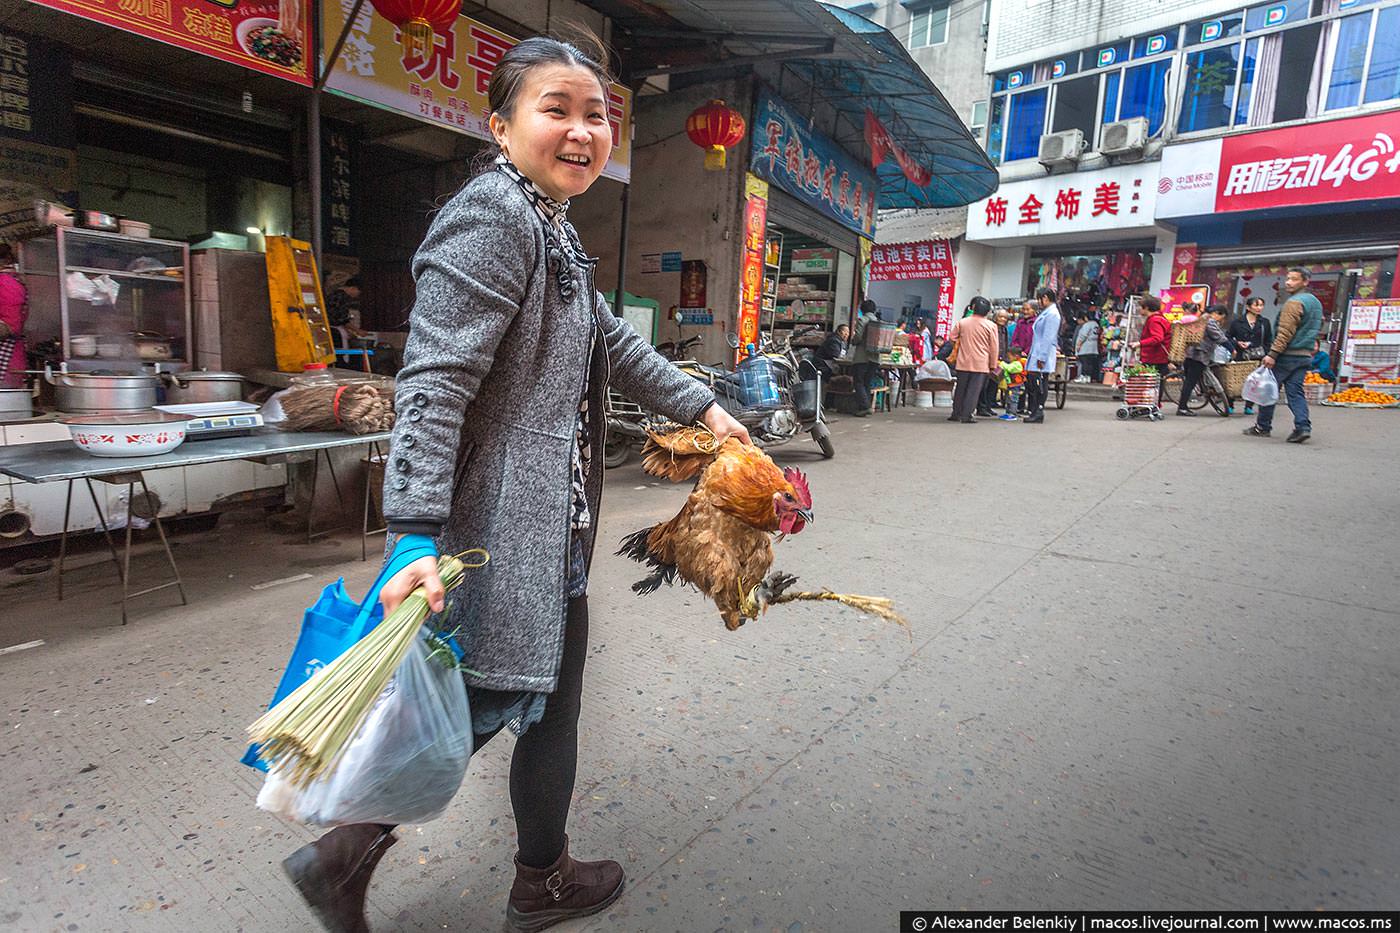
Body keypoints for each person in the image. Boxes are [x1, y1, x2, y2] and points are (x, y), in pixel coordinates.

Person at [279, 37, 752, 933]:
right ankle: (378, 857)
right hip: (495, 528)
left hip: (547, 527)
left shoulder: (550, 229)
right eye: (557, 109)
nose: (582, 131)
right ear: (500, 126)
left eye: (597, 115)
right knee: (505, 698)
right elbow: (433, 383)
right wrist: (414, 532)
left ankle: (513, 872)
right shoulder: (492, 220)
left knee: (529, 698)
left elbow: (613, 344)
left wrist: (706, 408)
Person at [1245, 268, 1323, 443]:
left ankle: (1262, 426)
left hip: (1287, 355)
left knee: (1268, 389)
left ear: (1305, 282)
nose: (1288, 282)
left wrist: (1272, 354)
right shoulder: (1315, 303)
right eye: (1288, 278)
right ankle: (1303, 427)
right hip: (1304, 355)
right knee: (1295, 392)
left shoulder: (1294, 303)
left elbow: (1285, 332)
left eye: (1294, 279)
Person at [947, 296, 1000, 423]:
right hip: (981, 363)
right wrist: (993, 364)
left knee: (961, 388)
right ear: (987, 311)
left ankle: (956, 413)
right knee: (974, 390)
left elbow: (952, 337)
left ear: (973, 308)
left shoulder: (963, 322)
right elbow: (994, 347)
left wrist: (961, 344)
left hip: (963, 361)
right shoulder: (991, 326)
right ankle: (967, 415)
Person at [1176, 304, 1229, 417]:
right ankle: (1182, 408)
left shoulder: (1200, 318)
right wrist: (1231, 347)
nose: (1221, 320)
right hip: (1199, 354)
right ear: (1216, 313)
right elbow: (1219, 337)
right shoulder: (1209, 321)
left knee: (1189, 381)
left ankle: (1184, 404)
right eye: (1222, 317)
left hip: (1190, 353)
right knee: (1190, 382)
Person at [1022, 288, 1061, 423]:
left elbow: (1048, 337)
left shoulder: (1052, 314)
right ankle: (1034, 410)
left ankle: (1038, 410)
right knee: (1034, 383)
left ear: (1045, 298)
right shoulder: (1047, 313)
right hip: (1037, 352)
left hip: (1041, 354)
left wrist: (1042, 357)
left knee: (1039, 384)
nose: (1038, 302)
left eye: (1039, 299)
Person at [1132, 294, 1171, 392]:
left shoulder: (1155, 320)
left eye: (1141, 307)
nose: (1139, 310)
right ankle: (1153, 405)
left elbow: (1158, 338)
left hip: (1155, 358)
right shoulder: (1160, 318)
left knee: (1152, 385)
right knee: (1155, 385)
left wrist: (1139, 343)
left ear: (1147, 308)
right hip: (1158, 357)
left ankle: (1152, 405)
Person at [0, 244, 27, 387]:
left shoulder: (5, 283)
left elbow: (9, 327)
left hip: (5, 361)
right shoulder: (13, 280)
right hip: (12, 360)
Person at [849, 300, 881, 417]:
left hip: (862, 357)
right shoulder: (878, 322)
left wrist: (853, 341)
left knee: (858, 382)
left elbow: (857, 337)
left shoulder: (862, 320)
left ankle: (866, 406)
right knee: (867, 382)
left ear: (862, 310)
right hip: (875, 358)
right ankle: (863, 407)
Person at [997, 346, 1026, 421]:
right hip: (1011, 385)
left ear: (1016, 356)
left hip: (1015, 386)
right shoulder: (1013, 363)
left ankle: (1013, 413)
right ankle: (1008, 412)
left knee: (1013, 399)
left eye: (1009, 356)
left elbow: (1009, 368)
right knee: (1008, 399)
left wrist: (1002, 364)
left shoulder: (1017, 364)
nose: (1008, 358)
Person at [1074, 311, 1101, 383]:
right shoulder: (1096, 325)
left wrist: (1078, 345)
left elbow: (1083, 336)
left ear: (1086, 318)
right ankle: (1088, 377)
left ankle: (1083, 377)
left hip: (1086, 347)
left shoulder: (1087, 325)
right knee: (1090, 364)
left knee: (1084, 363)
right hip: (1094, 348)